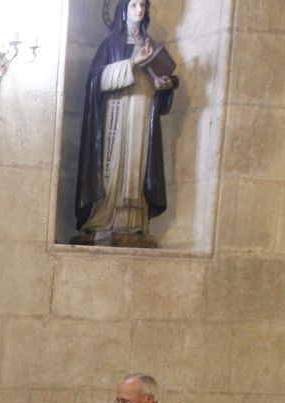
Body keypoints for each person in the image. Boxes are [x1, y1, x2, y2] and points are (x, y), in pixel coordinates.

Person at [75, 0, 178, 246]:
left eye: (143, 5)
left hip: (143, 113)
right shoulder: (110, 44)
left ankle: (134, 222)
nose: (139, 10)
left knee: (137, 163)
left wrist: (165, 85)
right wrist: (133, 63)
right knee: (113, 165)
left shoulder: (151, 46)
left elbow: (162, 81)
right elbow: (96, 80)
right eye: (133, 5)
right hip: (116, 113)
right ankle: (105, 217)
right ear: (123, 10)